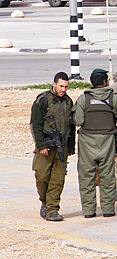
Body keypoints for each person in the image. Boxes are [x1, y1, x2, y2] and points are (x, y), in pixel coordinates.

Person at [73, 68, 117, 218]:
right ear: (104, 82)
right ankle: (108, 210)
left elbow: (77, 121)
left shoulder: (84, 99)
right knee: (107, 178)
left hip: (87, 144)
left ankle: (89, 212)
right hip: (107, 142)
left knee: (86, 178)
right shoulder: (112, 98)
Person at [30, 72, 75, 222]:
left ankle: (52, 209)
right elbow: (35, 124)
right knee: (42, 177)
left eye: (66, 87)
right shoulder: (43, 100)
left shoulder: (68, 102)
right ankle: (44, 201)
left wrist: (71, 146)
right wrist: (41, 144)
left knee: (58, 179)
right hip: (46, 146)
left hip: (61, 147)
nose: (63, 89)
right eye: (61, 86)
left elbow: (71, 125)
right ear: (54, 84)